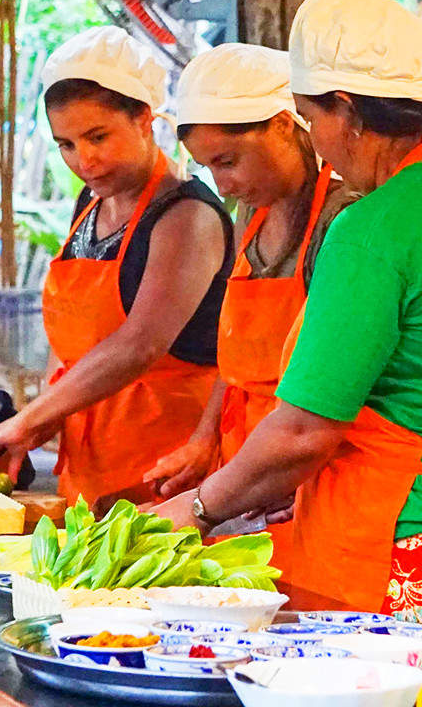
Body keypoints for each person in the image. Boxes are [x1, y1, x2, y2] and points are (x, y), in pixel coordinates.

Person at [151, 0, 422, 625]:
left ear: (345, 109)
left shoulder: (372, 228)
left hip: (402, 540)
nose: (319, 142)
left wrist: (199, 508)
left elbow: (305, 431)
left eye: (312, 120)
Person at [0, 27, 233, 510]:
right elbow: (72, 347)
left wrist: (31, 418)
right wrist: (45, 421)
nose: (85, 160)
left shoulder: (186, 217)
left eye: (98, 137)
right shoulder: (89, 205)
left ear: (144, 119)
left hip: (167, 473)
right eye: (67, 145)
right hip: (87, 467)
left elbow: (138, 345)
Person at [142, 44, 355, 528]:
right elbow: (236, 360)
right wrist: (204, 441)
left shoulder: (342, 218)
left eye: (228, 161)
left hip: (307, 475)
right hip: (244, 473)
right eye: (209, 167)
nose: (220, 186)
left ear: (283, 125)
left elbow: (347, 388)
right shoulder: (250, 213)